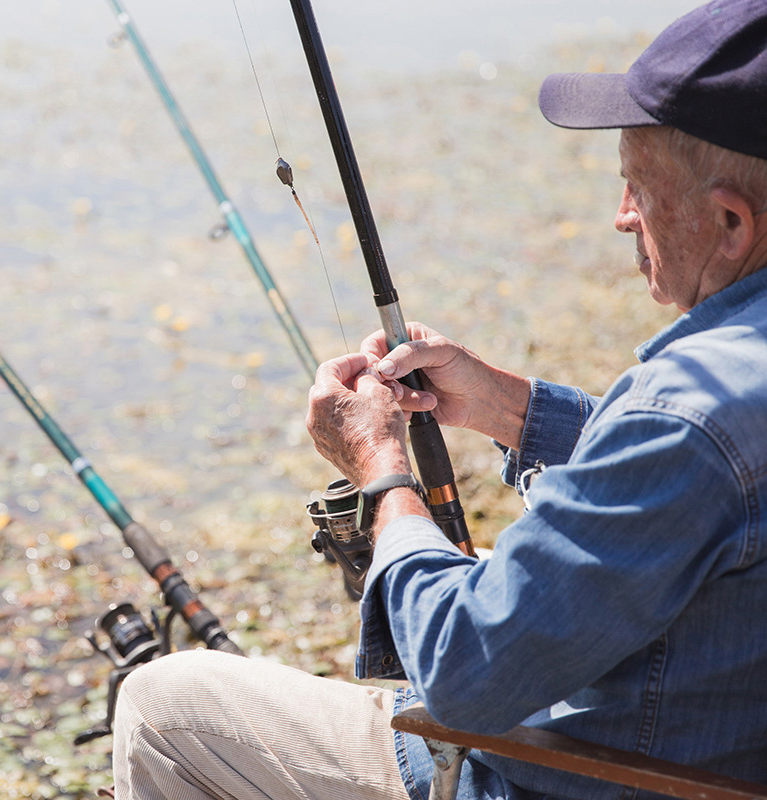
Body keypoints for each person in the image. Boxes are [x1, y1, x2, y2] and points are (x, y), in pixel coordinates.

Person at [110, 1, 767, 797]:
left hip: (582, 777)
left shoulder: (688, 412)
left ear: (730, 222)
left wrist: (383, 474)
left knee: (163, 706)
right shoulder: (718, 401)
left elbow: (463, 671)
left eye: (636, 188)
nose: (619, 216)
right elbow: (709, 479)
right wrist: (505, 407)